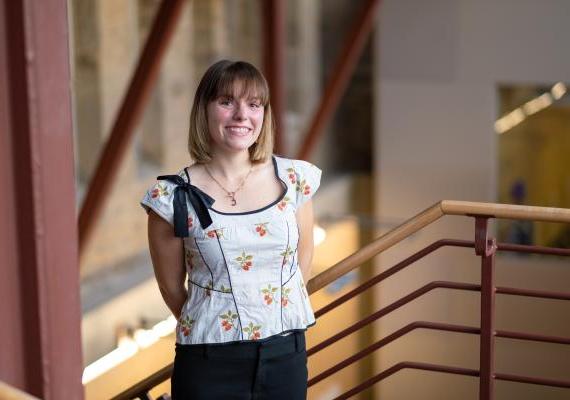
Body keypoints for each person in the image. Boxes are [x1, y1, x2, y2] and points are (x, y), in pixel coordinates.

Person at [140, 60, 322, 400]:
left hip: (286, 354)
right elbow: (171, 288)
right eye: (227, 102)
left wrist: (272, 313)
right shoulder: (171, 197)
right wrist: (223, 322)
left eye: (254, 104)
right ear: (204, 111)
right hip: (210, 361)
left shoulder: (294, 179)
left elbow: (304, 261)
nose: (242, 115)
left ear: (264, 115)